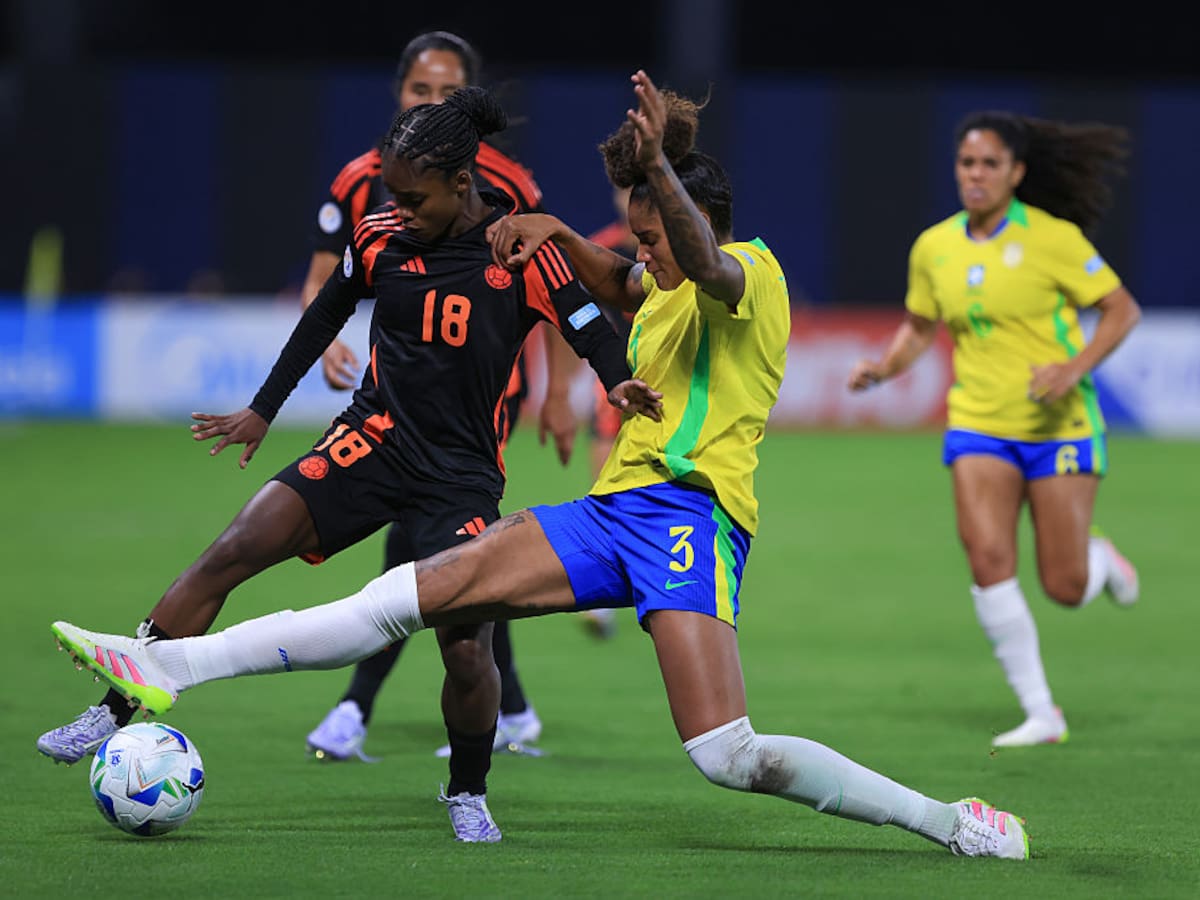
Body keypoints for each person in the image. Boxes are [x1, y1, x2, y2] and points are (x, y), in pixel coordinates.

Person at [50, 71, 1029, 860]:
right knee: (404, 598)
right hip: (608, 515)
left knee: (725, 753)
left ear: (692, 223)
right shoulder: (661, 282)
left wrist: (660, 189)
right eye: (639, 242)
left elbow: (698, 256)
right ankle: (162, 663)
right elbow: (616, 278)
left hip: (690, 519)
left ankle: (949, 822)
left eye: (655, 239)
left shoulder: (748, 274)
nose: (644, 260)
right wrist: (560, 230)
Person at [42, 85, 651, 842]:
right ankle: (111, 709)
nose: (399, 208)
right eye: (391, 192)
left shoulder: (517, 250)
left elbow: (587, 322)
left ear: (462, 184)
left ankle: (467, 790)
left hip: (459, 476)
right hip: (370, 441)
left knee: (467, 649)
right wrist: (263, 409)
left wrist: (616, 377)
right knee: (232, 551)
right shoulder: (381, 236)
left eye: (414, 196)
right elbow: (326, 311)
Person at [296, 30, 567, 762]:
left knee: (431, 543)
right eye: (421, 91)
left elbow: (555, 290)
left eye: (449, 92)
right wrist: (325, 337)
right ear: (398, 94)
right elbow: (325, 273)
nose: (433, 103)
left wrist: (563, 393)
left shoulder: (511, 185)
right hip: (395, 394)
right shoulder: (364, 178)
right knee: (460, 552)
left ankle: (355, 706)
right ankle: (509, 707)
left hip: (482, 397)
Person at [847, 110, 1141, 748]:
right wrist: (884, 368)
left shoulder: (1054, 238)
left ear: (1016, 173)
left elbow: (1121, 311)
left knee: (1063, 586)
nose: (975, 175)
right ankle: (1042, 713)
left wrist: (1072, 368)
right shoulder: (935, 246)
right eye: (966, 163)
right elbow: (921, 326)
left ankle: (1100, 562)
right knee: (986, 560)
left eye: (988, 164)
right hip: (978, 422)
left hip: (1059, 424)